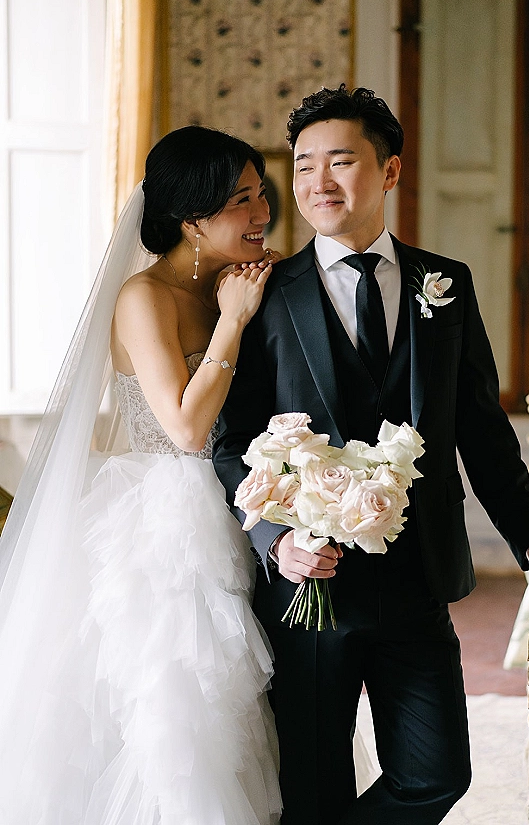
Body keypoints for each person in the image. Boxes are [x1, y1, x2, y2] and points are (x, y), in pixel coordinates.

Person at [213, 85, 529, 825]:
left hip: (417, 573)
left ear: (390, 170)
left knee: (436, 773)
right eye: (305, 165)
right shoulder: (262, 296)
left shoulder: (444, 283)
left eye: (340, 161)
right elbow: (229, 443)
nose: (318, 183)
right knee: (314, 789)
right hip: (311, 588)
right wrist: (274, 540)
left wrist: (527, 529)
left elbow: (478, 424)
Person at [0, 126, 283, 824]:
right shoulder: (144, 295)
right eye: (240, 201)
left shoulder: (239, 280)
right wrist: (233, 322)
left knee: (246, 701)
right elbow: (185, 429)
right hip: (168, 517)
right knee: (176, 708)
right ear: (193, 220)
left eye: (259, 195)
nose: (261, 214)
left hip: (246, 499)